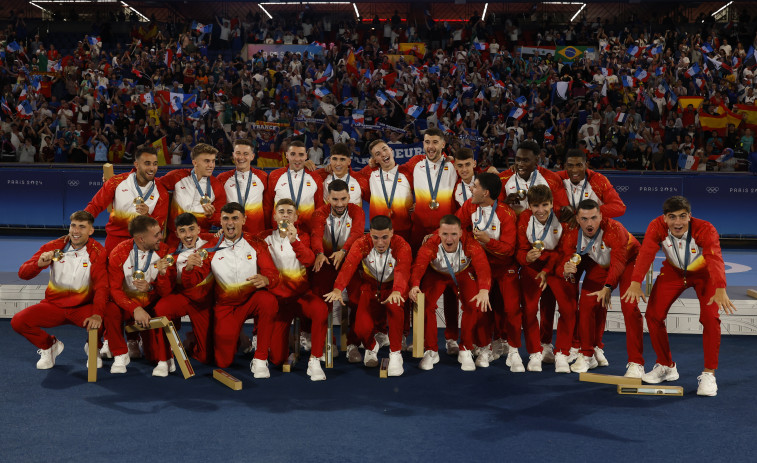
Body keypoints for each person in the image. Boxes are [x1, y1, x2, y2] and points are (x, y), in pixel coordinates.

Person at [622, 196, 736, 396]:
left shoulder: (705, 229)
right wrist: (635, 282)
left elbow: (714, 257)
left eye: (683, 216)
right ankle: (666, 366)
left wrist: (720, 287)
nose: (678, 222)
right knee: (653, 315)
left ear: (690, 216)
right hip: (673, 272)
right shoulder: (656, 226)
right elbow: (647, 253)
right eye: (672, 217)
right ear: (664, 218)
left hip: (704, 275)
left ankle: (709, 374)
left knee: (710, 318)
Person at [187, 202, 280, 376]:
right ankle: (235, 338)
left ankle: (260, 359)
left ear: (244, 220)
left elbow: (273, 274)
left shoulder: (256, 243)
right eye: (226, 219)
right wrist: (189, 268)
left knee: (269, 301)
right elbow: (193, 281)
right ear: (220, 222)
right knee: (224, 362)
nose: (230, 223)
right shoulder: (209, 249)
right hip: (225, 307)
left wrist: (267, 279)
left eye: (235, 218)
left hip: (251, 301)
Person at [12, 211, 109, 370]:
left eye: (82, 227)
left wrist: (97, 314)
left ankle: (93, 347)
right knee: (18, 321)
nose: (76, 231)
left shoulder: (98, 251)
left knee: (107, 315)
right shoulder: (53, 246)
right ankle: (49, 346)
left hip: (82, 307)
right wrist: (39, 265)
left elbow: (102, 287)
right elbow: (22, 274)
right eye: (73, 226)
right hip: (53, 306)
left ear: (91, 231)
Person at [558, 199, 643, 376]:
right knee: (587, 302)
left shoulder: (614, 228)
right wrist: (565, 268)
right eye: (584, 219)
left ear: (601, 216)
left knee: (629, 307)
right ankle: (588, 353)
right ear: (577, 218)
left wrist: (608, 287)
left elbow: (619, 262)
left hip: (629, 260)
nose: (589, 224)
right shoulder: (571, 232)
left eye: (594, 218)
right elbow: (566, 259)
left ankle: (636, 362)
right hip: (600, 263)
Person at [324, 215, 411, 377]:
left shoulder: (402, 245)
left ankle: (395, 354)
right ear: (369, 233)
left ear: (392, 232)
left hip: (393, 287)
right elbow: (349, 266)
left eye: (385, 237)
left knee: (395, 305)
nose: (380, 243)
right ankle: (371, 347)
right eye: (375, 237)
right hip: (370, 287)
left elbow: (403, 269)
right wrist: (337, 288)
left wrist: (398, 290)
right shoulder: (362, 244)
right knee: (361, 326)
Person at [409, 215, 492, 371]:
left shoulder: (471, 244)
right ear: (438, 233)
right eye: (445, 234)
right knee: (423, 304)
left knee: (474, 303)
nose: (449, 239)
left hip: (462, 273)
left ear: (461, 233)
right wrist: (414, 285)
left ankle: (466, 348)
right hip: (437, 275)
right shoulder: (430, 244)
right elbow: (419, 265)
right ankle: (431, 350)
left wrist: (484, 290)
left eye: (454, 234)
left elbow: (483, 267)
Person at [456, 173, 520, 370]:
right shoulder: (470, 206)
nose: (471, 189)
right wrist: (433, 236)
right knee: (482, 308)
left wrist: (486, 241)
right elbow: (455, 225)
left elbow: (509, 249)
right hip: (479, 267)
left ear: (486, 193)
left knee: (510, 309)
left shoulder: (506, 213)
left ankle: (514, 350)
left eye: (475, 186)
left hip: (504, 267)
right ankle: (485, 347)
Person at [262, 199, 330, 381]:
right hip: (279, 301)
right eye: (281, 211)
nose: (285, 215)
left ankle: (314, 360)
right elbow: (239, 238)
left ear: (296, 216)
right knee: (276, 359)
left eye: (289, 212)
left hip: (301, 297)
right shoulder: (265, 238)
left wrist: (294, 240)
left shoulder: (304, 237)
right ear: (275, 216)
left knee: (321, 310)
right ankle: (286, 345)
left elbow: (309, 260)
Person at [103, 215, 172, 374]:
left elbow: (167, 291)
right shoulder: (119, 253)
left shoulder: (164, 250)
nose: (160, 237)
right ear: (141, 239)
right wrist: (135, 308)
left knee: (154, 357)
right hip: (126, 305)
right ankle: (120, 354)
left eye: (160, 233)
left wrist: (150, 288)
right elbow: (114, 290)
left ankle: (138, 340)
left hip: (150, 304)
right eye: (156, 235)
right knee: (109, 308)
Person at [150, 213, 216, 376]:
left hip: (205, 303)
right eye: (183, 231)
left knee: (206, 357)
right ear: (177, 233)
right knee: (161, 308)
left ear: (198, 229)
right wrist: (164, 273)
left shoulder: (211, 244)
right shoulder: (172, 255)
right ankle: (164, 359)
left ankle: (191, 341)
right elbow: (165, 291)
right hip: (185, 298)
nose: (188, 235)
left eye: (191, 229)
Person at [310, 179, 366, 363]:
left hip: (349, 260)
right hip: (326, 261)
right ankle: (329, 342)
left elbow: (358, 233)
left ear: (349, 197)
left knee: (358, 300)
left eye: (343, 199)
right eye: (335, 199)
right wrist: (318, 253)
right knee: (321, 303)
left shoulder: (357, 211)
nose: (340, 204)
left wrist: (343, 251)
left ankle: (352, 344)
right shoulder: (319, 213)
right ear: (328, 198)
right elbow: (316, 234)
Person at [515, 185, 567, 372]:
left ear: (552, 204)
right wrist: (525, 258)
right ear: (529, 206)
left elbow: (563, 250)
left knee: (552, 307)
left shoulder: (562, 218)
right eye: (536, 205)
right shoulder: (524, 219)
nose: (541, 210)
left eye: (545, 205)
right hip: (532, 268)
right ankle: (534, 351)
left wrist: (546, 269)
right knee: (529, 310)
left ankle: (550, 346)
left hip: (554, 266)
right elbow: (520, 250)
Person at [85, 146, 169, 254]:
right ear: (137, 165)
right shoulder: (116, 182)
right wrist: (81, 224)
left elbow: (159, 225)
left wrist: (147, 216)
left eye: (155, 164)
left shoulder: (161, 192)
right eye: (147, 163)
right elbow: (95, 206)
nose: (152, 168)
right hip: (116, 240)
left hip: (144, 242)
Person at [160, 143, 227, 248]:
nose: (211, 165)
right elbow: (156, 188)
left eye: (213, 161)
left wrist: (211, 216)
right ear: (195, 162)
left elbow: (222, 219)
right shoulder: (177, 176)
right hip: (174, 239)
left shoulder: (217, 187)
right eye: (207, 161)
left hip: (200, 242)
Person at [495, 140, 568, 216]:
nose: (520, 164)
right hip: (513, 225)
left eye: (525, 160)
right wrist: (505, 203)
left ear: (536, 160)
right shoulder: (503, 178)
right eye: (518, 159)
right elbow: (494, 210)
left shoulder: (552, 178)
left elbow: (562, 208)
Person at [361, 140, 415, 242]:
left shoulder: (407, 172)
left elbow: (426, 188)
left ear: (391, 150)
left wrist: (421, 204)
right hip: (379, 234)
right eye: (378, 154)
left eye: (385, 149)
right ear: (375, 159)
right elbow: (350, 177)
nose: (383, 154)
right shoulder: (369, 173)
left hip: (405, 232)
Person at [216, 138, 271, 235]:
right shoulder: (222, 178)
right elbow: (218, 207)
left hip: (257, 232)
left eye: (246, 154)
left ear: (252, 156)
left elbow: (268, 206)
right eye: (238, 153)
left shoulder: (263, 177)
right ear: (233, 155)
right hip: (231, 231)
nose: (241, 157)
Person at [268, 140, 323, 230]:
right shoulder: (275, 176)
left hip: (306, 232)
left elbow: (319, 209)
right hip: (280, 231)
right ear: (287, 155)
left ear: (306, 156)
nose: (297, 159)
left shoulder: (316, 178)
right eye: (293, 154)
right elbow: (268, 206)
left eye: (301, 155)